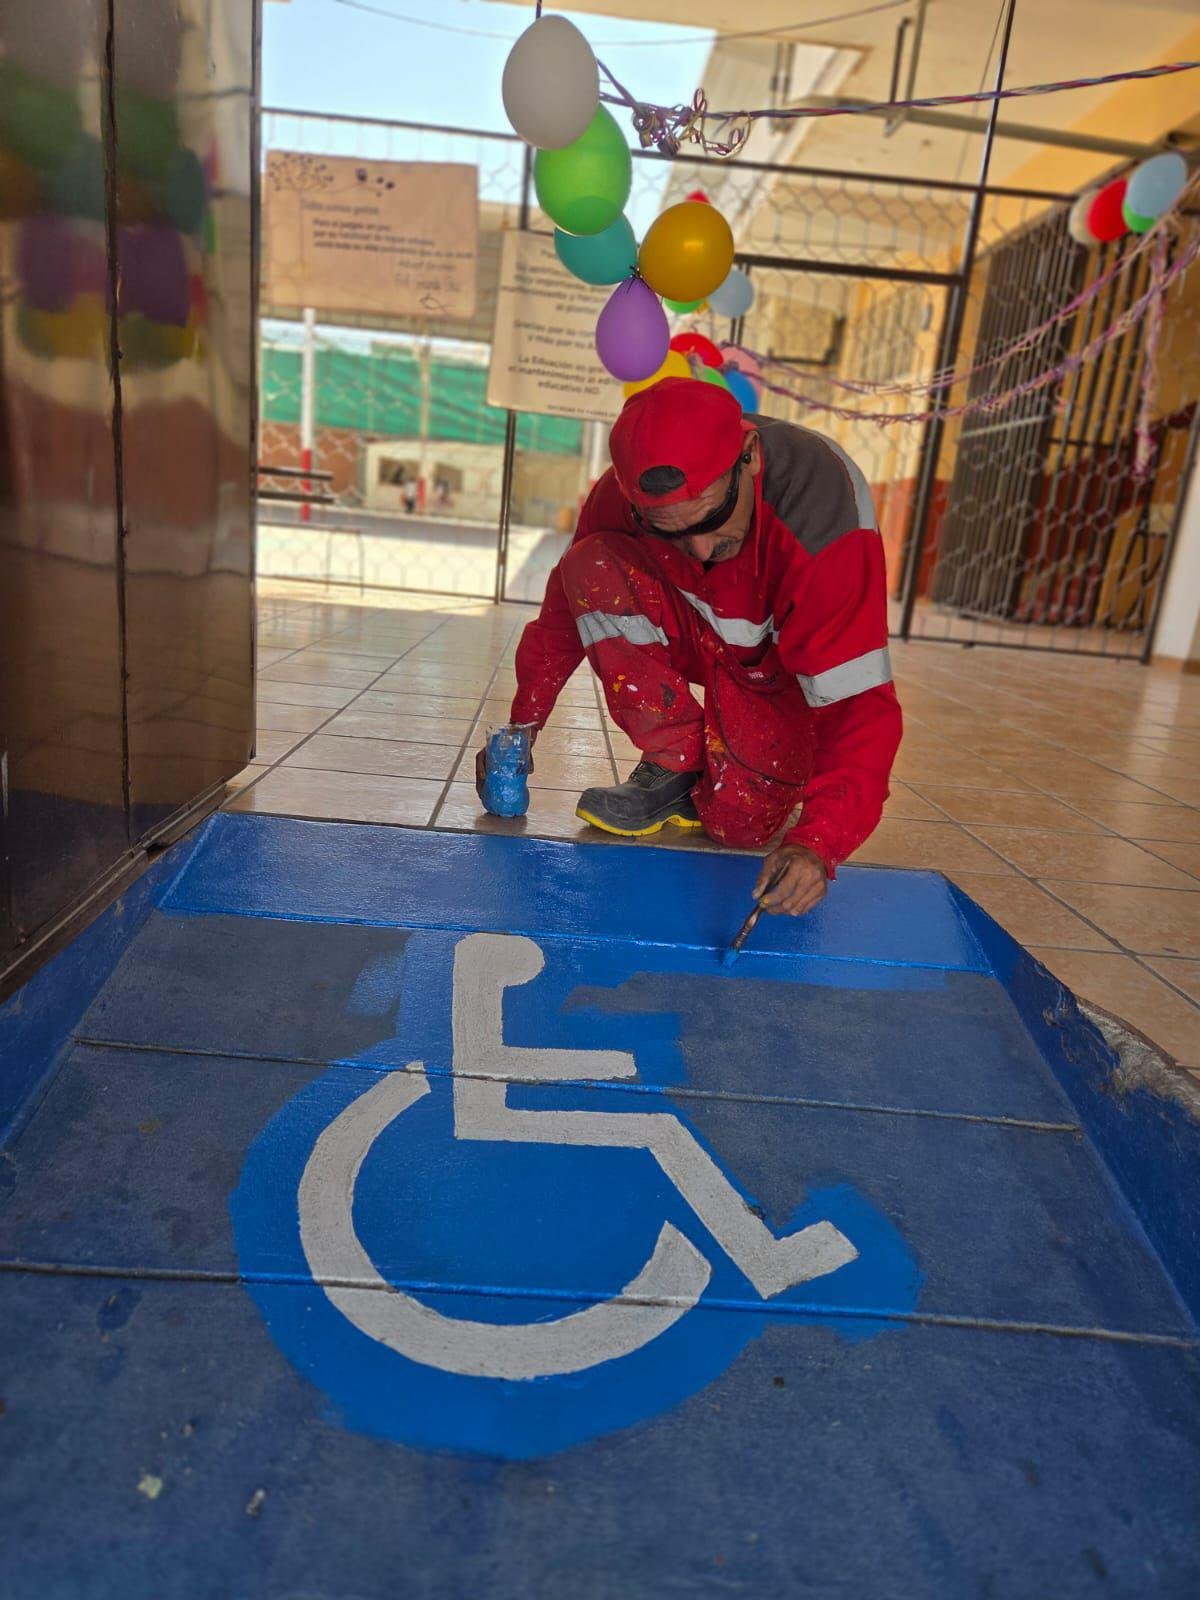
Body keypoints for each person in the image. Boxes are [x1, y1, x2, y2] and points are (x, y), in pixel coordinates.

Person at [479, 377, 902, 918]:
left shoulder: (824, 519)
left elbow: (858, 704)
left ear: (749, 456)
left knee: (738, 825)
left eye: (713, 519)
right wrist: (523, 725)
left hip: (779, 674)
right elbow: (562, 615)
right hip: (704, 632)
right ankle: (677, 760)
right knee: (589, 564)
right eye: (671, 533)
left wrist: (819, 843)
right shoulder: (620, 497)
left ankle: (763, 771)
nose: (701, 550)